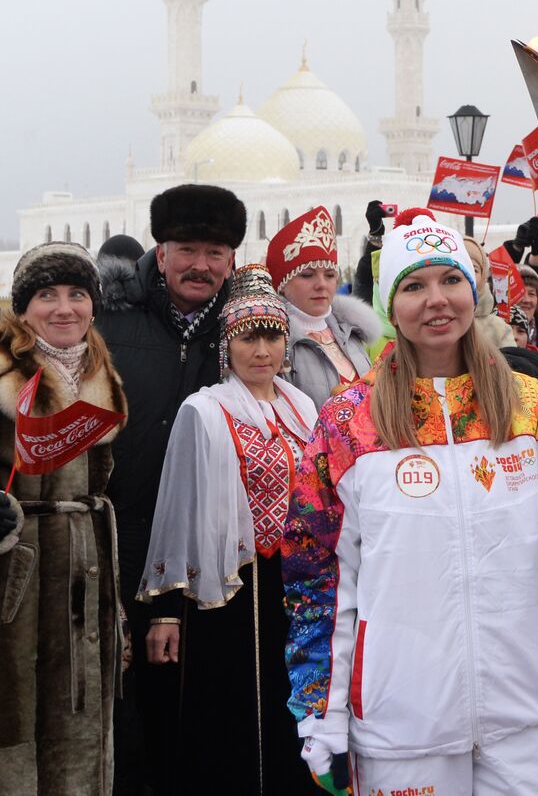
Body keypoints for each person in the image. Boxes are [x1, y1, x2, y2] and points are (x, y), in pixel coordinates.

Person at [282, 208, 538, 796]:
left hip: (522, 707)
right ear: (391, 304)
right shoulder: (349, 422)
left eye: (451, 280)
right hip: (402, 718)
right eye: (414, 286)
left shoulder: (533, 404)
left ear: (474, 292)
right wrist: (321, 717)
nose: (437, 300)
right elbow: (319, 579)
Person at [136, 266, 320, 796]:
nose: (261, 350)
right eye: (248, 337)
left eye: (272, 335)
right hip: (228, 591)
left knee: (295, 700)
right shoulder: (206, 410)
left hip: (295, 584)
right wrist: (166, 610)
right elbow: (178, 509)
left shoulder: (302, 406)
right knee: (233, 708)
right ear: (227, 344)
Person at [97, 183, 244, 795]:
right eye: (187, 249)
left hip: (212, 556)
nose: (200, 265)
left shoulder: (247, 333)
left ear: (232, 261)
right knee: (124, 708)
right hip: (123, 543)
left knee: (203, 707)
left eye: (215, 252)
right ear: (160, 254)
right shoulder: (111, 325)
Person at [0, 243, 127, 795]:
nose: (64, 308)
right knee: (17, 707)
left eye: (77, 294)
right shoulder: (6, 376)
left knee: (80, 704)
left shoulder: (102, 375)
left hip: (88, 562)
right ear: (22, 307)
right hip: (17, 573)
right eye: (46, 295)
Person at [266, 207, 378, 410]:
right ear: (282, 284)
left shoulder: (351, 333)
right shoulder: (274, 342)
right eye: (307, 275)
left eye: (329, 275)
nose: (321, 285)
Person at [460, 236, 514, 350]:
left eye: (474, 269)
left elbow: (510, 366)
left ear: (483, 275)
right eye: (461, 267)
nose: (468, 274)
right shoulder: (437, 322)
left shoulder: (499, 328)